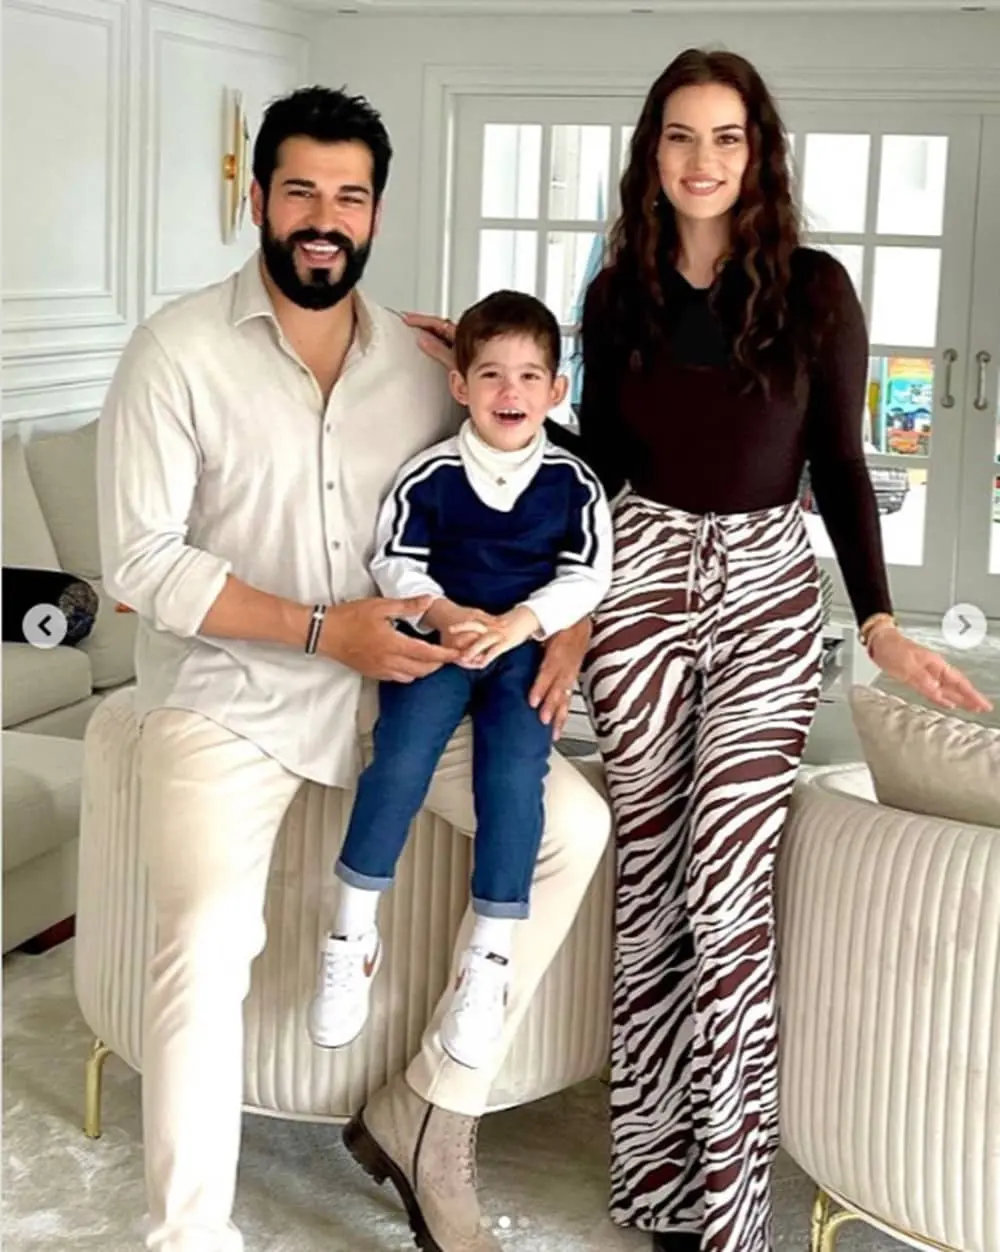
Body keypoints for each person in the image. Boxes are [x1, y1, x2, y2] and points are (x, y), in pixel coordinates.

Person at [403, 48, 991, 1252]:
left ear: (757, 152)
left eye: (726, 136)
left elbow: (838, 463)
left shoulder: (815, 289)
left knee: (725, 891)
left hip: (768, 589)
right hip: (643, 576)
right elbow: (608, 464)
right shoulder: (617, 291)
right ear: (651, 153)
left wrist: (878, 620)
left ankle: (727, 1208)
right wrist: (501, 384)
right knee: (652, 880)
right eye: (680, 135)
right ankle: (658, 1186)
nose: (702, 159)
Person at [97, 85, 610, 1252]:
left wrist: (565, 625)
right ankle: (187, 1234)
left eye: (349, 196)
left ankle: (427, 1105)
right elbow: (138, 561)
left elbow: (546, 469)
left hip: (398, 694)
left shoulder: (427, 364)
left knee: (573, 828)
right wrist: (323, 630)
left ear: (375, 211)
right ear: (258, 201)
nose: (324, 219)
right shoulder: (175, 350)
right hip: (227, 699)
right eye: (301, 192)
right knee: (204, 935)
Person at [307, 289, 612, 1070]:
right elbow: (395, 559)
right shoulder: (430, 474)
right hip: (436, 641)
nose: (510, 392)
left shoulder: (574, 483)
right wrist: (443, 615)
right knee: (400, 757)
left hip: (521, 649)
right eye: (491, 375)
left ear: (556, 390)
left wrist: (520, 625)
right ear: (460, 384)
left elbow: (586, 577)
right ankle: (350, 934)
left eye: (529, 376)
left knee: (512, 777)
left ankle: (490, 958)